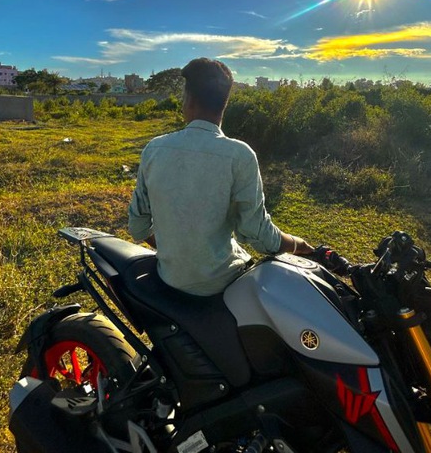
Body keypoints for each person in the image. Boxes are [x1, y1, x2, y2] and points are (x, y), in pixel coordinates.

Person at [128, 58, 314, 296]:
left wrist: (172, 251)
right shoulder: (239, 155)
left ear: (188, 100)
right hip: (222, 284)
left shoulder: (154, 149)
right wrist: (298, 244)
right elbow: (259, 235)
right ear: (225, 103)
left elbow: (138, 226)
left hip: (169, 278)